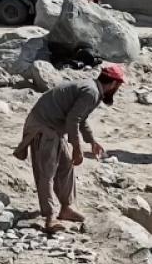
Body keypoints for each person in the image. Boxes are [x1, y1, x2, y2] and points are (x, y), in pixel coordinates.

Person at [14, 65, 125, 232]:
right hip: (43, 127)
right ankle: (50, 218)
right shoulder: (91, 92)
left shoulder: (93, 90)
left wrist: (92, 141)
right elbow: (73, 120)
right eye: (118, 86)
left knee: (66, 166)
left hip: (55, 129)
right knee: (47, 173)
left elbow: (81, 119)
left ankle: (65, 208)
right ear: (114, 84)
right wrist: (77, 148)